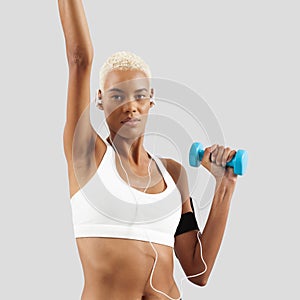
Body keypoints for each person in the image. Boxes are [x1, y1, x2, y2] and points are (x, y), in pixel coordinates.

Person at [58, 1, 238, 299]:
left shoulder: (173, 174)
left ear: (150, 100)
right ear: (100, 100)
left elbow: (198, 271)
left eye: (139, 96)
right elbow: (80, 59)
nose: (130, 107)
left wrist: (224, 185)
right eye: (117, 96)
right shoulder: (87, 156)